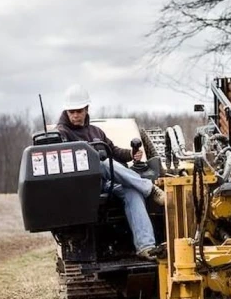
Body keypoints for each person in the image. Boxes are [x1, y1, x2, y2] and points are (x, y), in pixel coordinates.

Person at [56, 84, 165, 259]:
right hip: (83, 186)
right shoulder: (62, 134)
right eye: (71, 112)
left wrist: (131, 154)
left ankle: (146, 246)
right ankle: (150, 189)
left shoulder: (96, 131)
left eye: (78, 111)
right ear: (66, 112)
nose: (75, 115)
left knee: (132, 192)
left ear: (86, 109)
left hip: (106, 184)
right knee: (104, 163)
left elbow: (113, 151)